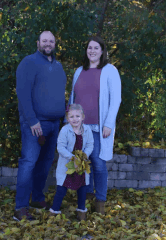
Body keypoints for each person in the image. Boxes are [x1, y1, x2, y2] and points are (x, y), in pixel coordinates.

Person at [13, 31, 67, 221]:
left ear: (55, 43)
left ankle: (37, 198)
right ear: (38, 43)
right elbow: (23, 93)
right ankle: (20, 207)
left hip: (55, 124)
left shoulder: (58, 66)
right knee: (28, 163)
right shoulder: (28, 63)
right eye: (44, 40)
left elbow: (59, 94)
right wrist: (32, 120)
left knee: (45, 165)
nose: (48, 44)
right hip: (35, 124)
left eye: (51, 41)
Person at [67, 36, 122, 215]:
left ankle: (100, 203)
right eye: (89, 47)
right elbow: (73, 99)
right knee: (83, 163)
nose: (92, 51)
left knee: (98, 164)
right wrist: (68, 120)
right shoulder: (78, 71)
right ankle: (86, 198)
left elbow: (116, 100)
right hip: (80, 128)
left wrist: (109, 123)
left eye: (96, 48)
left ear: (102, 51)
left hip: (99, 128)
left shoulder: (109, 70)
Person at [49, 104, 94, 221]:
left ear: (83, 116)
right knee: (61, 188)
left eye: (77, 116)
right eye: (72, 117)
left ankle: (81, 212)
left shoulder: (87, 130)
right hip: (67, 164)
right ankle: (54, 211)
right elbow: (60, 147)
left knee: (82, 188)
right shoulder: (65, 130)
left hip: (81, 165)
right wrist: (73, 158)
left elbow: (90, 144)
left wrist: (84, 156)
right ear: (68, 119)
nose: (75, 119)